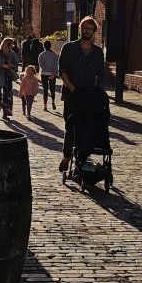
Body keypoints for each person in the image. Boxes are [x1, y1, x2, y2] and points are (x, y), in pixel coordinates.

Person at [58, 16, 106, 172]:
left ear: (94, 32)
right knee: (70, 126)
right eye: (84, 28)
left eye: (89, 29)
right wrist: (74, 90)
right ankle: (66, 156)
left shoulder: (98, 52)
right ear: (80, 29)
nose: (86, 31)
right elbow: (62, 71)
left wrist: (98, 93)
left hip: (89, 97)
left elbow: (101, 75)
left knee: (86, 128)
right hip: (72, 95)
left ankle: (81, 161)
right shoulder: (68, 48)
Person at [0, 36, 19, 119]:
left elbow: (16, 64)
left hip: (8, 77)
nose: (12, 46)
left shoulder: (12, 53)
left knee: (8, 96)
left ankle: (6, 114)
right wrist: (2, 65)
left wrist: (12, 65)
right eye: (11, 44)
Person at [38, 39, 59, 111]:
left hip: (44, 73)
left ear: (43, 46)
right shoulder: (54, 54)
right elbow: (56, 65)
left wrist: (46, 69)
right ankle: (53, 101)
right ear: (50, 46)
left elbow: (41, 65)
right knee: (52, 89)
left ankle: (45, 105)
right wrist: (53, 72)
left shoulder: (41, 55)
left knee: (45, 90)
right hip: (52, 73)